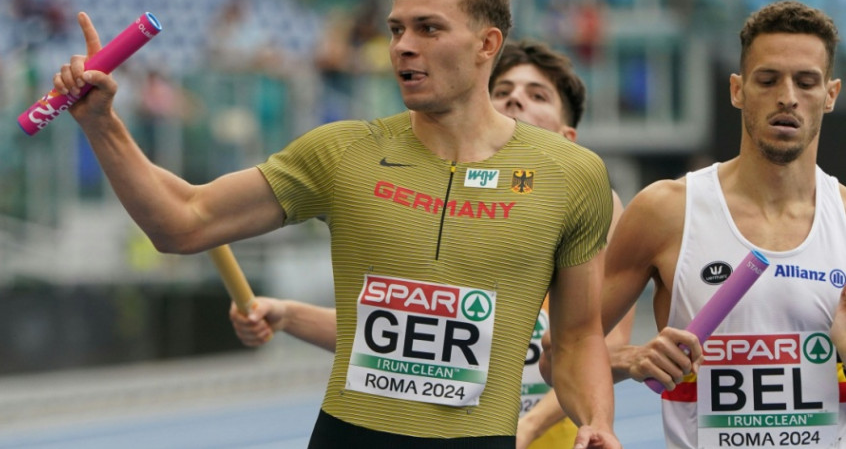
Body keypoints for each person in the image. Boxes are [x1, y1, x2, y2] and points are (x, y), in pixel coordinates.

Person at [51, 0, 620, 448]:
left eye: (428, 28)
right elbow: (183, 221)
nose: (403, 47)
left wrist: (596, 420)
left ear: (486, 43)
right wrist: (103, 124)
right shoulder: (343, 152)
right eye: (396, 29)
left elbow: (576, 339)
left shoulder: (572, 175)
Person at [229, 39, 637, 449]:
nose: (516, 100)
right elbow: (401, 341)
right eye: (502, 91)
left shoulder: (590, 209)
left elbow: (596, 345)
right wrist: (288, 315)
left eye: (537, 95)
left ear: (568, 137)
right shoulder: (448, 207)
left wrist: (531, 425)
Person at [597, 0, 846, 448]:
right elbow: (561, 352)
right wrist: (629, 358)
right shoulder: (667, 211)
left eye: (806, 82)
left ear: (831, 95)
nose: (787, 96)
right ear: (737, 90)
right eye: (767, 80)